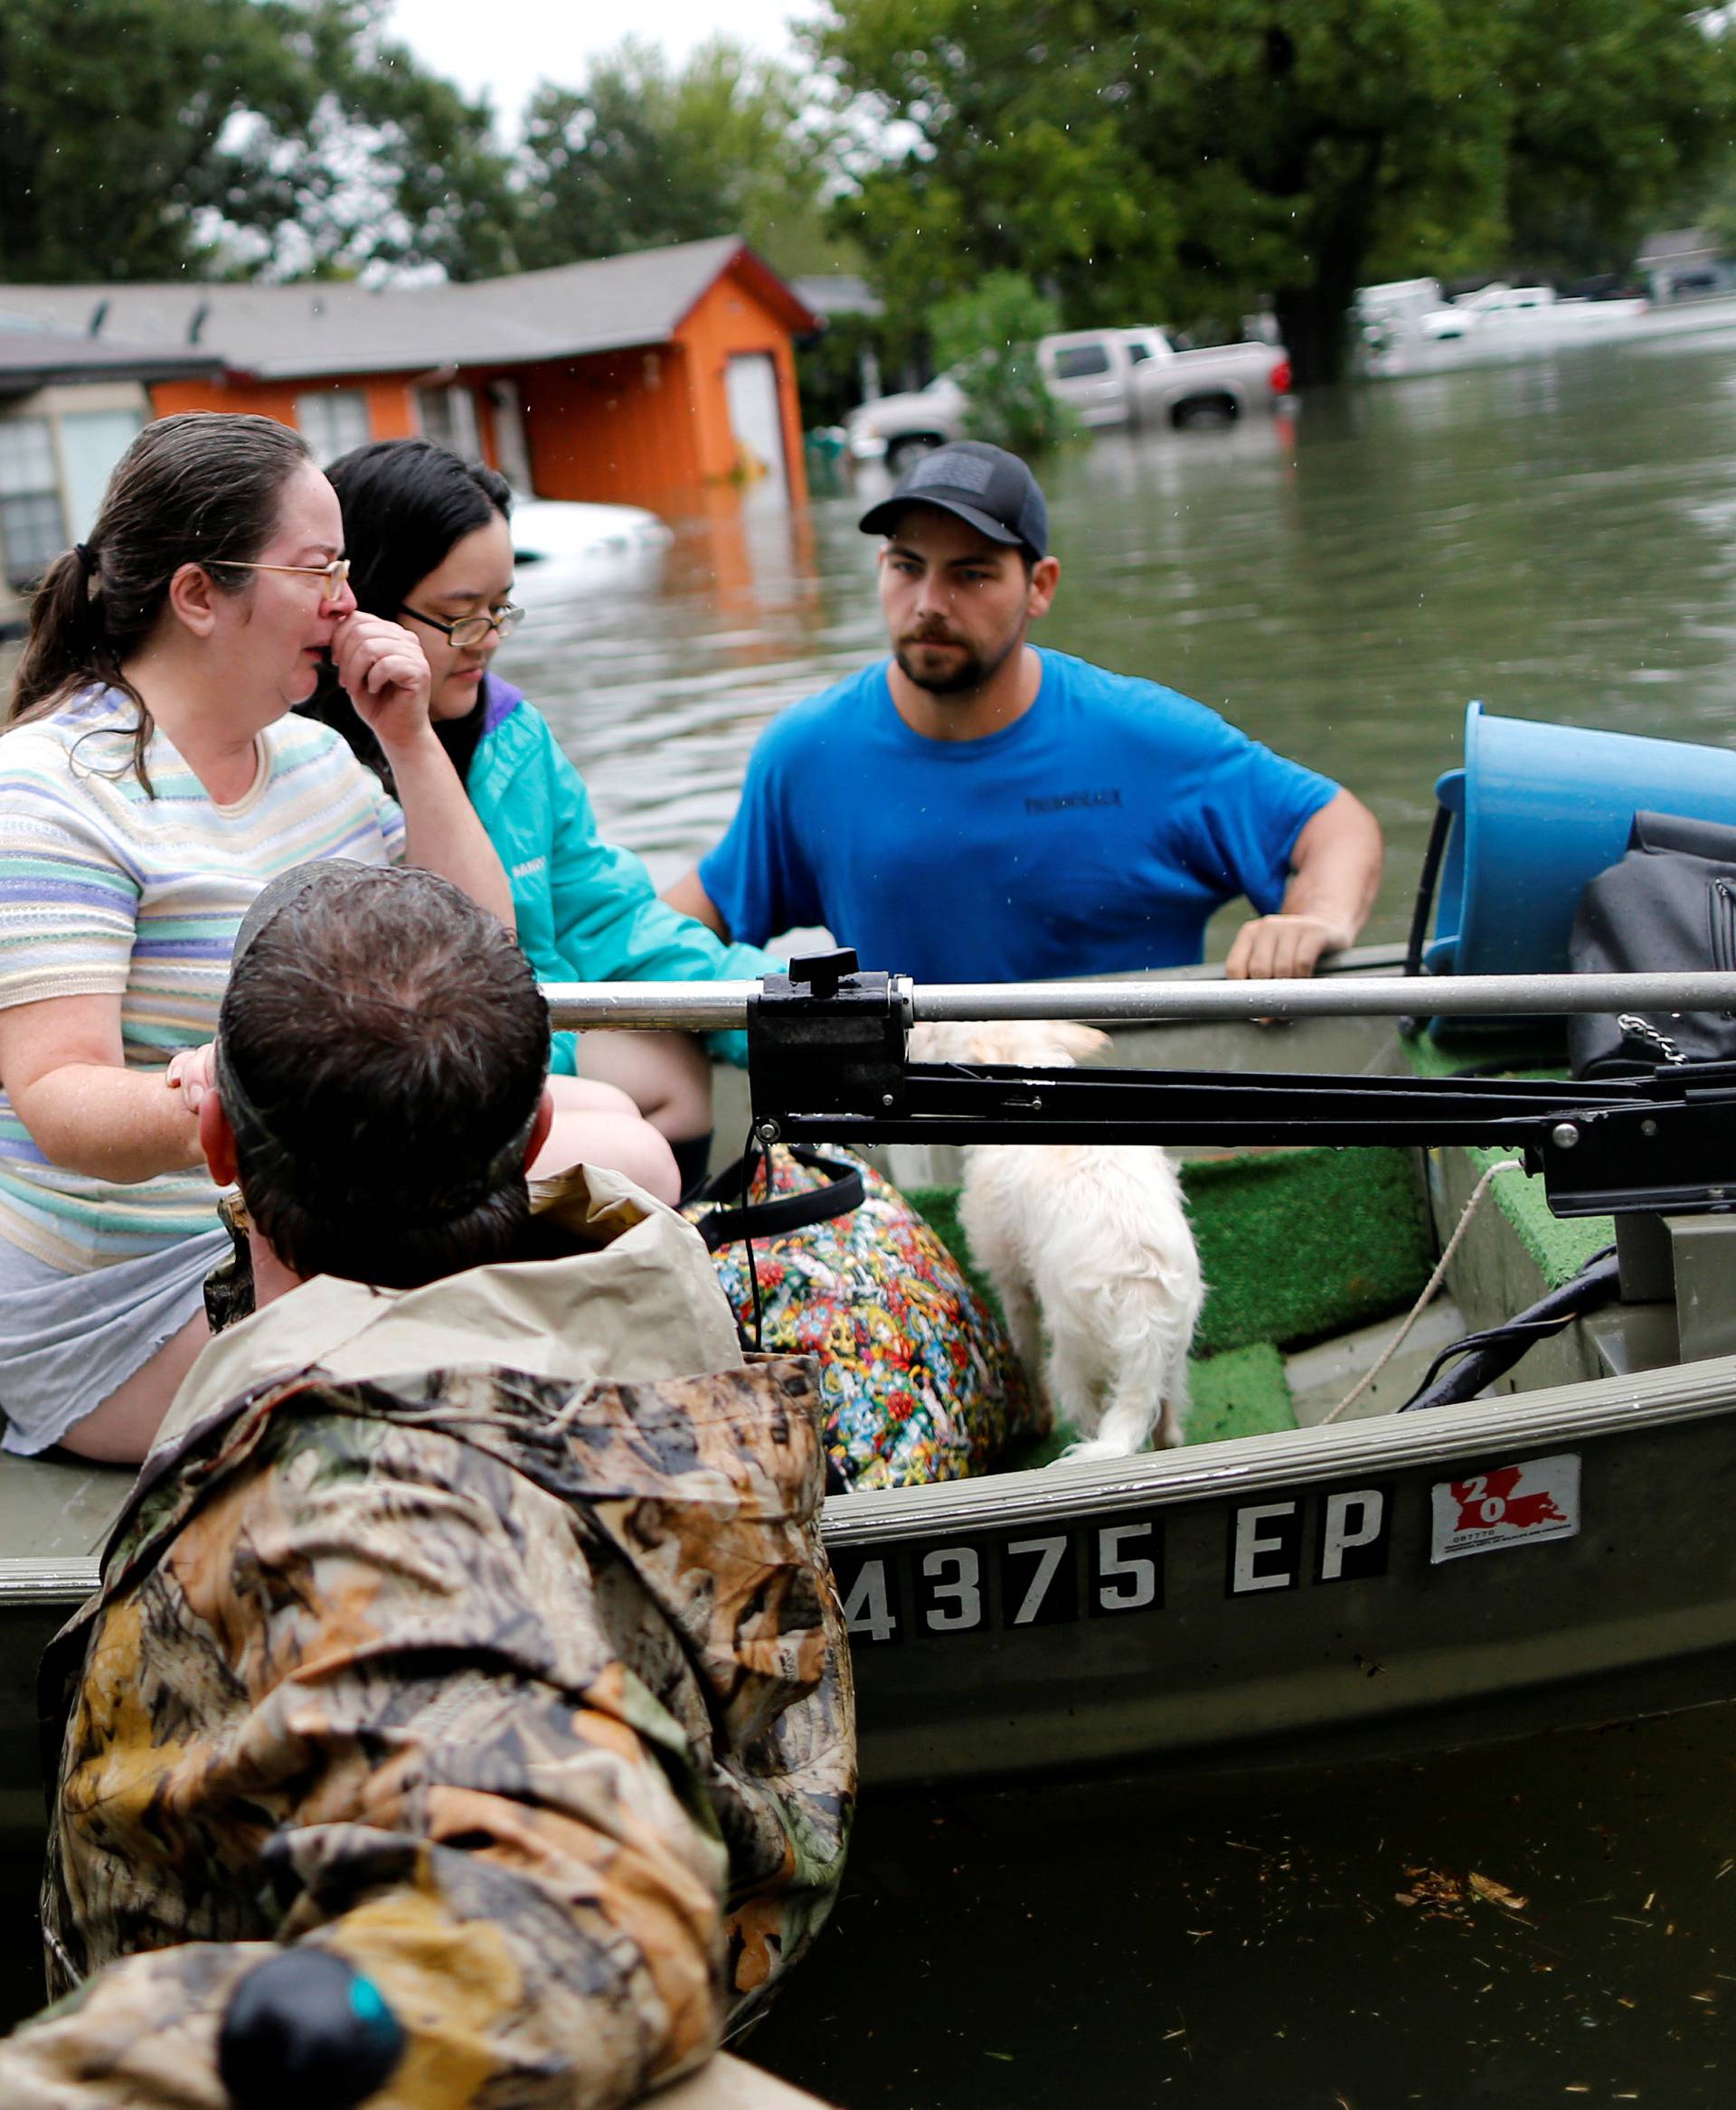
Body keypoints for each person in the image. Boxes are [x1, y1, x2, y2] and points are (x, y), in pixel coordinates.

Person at [0, 861, 852, 2108]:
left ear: (219, 1139)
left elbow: (554, 1940)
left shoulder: (374, 1501)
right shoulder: (618, 1278)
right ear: (543, 1128)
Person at [0, 411, 515, 1465]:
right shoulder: (48, 792)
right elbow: (58, 1098)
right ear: (198, 595)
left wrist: (409, 741)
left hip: (310, 1217)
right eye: (317, 568)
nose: (346, 602)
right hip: (123, 1291)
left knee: (629, 1150)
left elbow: (485, 960)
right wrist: (246, 1101)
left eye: (346, 569)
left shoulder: (317, 758)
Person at [665, 440, 1384, 985]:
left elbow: (1335, 825)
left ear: (1040, 586)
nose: (929, 605)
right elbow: (685, 921)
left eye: (971, 574)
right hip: (923, 1132)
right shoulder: (807, 757)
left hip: (1128, 1133)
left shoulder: (1144, 740)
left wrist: (1311, 919)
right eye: (906, 566)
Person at [302, 438, 785, 1199]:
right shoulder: (311, 766)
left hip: (530, 1051)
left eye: (501, 609)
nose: (489, 640)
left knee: (676, 1071)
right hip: (407, 1108)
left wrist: (775, 1008)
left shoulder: (513, 736)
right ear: (362, 608)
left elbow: (609, 914)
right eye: (461, 617)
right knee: (643, 1093)